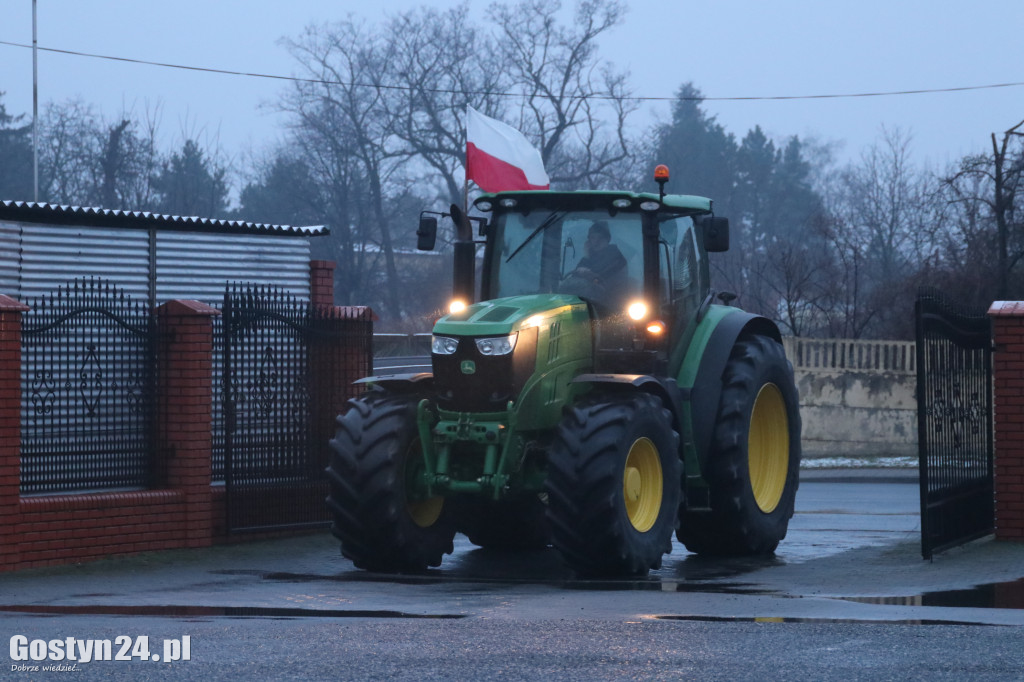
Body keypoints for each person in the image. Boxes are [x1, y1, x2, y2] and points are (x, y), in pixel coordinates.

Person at [571, 221, 626, 287]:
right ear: (589, 241)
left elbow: (603, 278)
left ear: (607, 239)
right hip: (587, 295)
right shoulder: (589, 257)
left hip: (612, 295)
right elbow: (574, 278)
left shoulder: (616, 257)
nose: (596, 242)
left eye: (601, 238)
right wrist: (586, 256)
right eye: (593, 237)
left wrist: (589, 274)